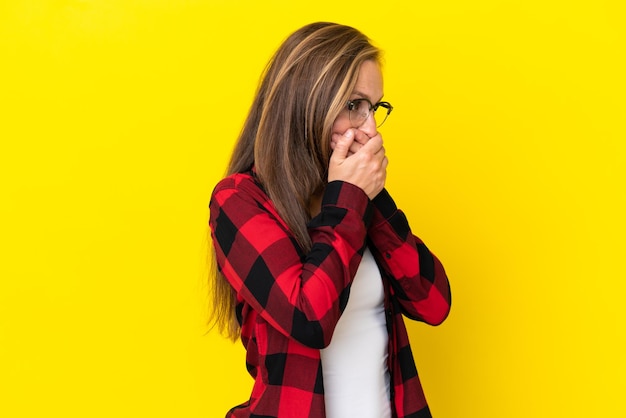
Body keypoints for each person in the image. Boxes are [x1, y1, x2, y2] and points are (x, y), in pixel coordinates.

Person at [209, 22, 451, 418]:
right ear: (308, 103)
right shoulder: (239, 201)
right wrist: (350, 199)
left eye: (375, 108)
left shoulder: (356, 201)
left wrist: (372, 199)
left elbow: (434, 303)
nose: (370, 129)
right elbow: (309, 319)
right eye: (354, 105)